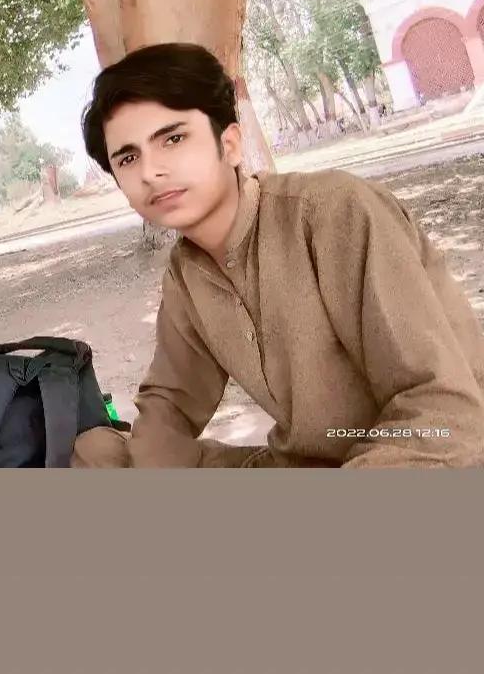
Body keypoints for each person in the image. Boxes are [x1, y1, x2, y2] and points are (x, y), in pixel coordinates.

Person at [71, 44, 484, 469]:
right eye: (128, 157)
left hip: (428, 456)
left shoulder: (335, 213)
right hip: (302, 464)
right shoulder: (186, 271)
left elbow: (445, 410)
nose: (150, 172)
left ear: (230, 144)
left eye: (173, 139)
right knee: (96, 452)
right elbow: (170, 403)